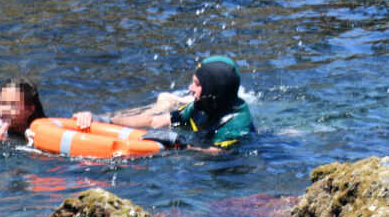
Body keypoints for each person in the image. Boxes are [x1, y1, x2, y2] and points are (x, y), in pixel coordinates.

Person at [74, 55, 255, 150]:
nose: (191, 88)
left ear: (213, 91)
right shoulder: (202, 106)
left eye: (197, 85)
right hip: (198, 133)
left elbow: (217, 153)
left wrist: (179, 144)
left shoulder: (236, 125)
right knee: (163, 105)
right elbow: (154, 121)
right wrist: (104, 120)